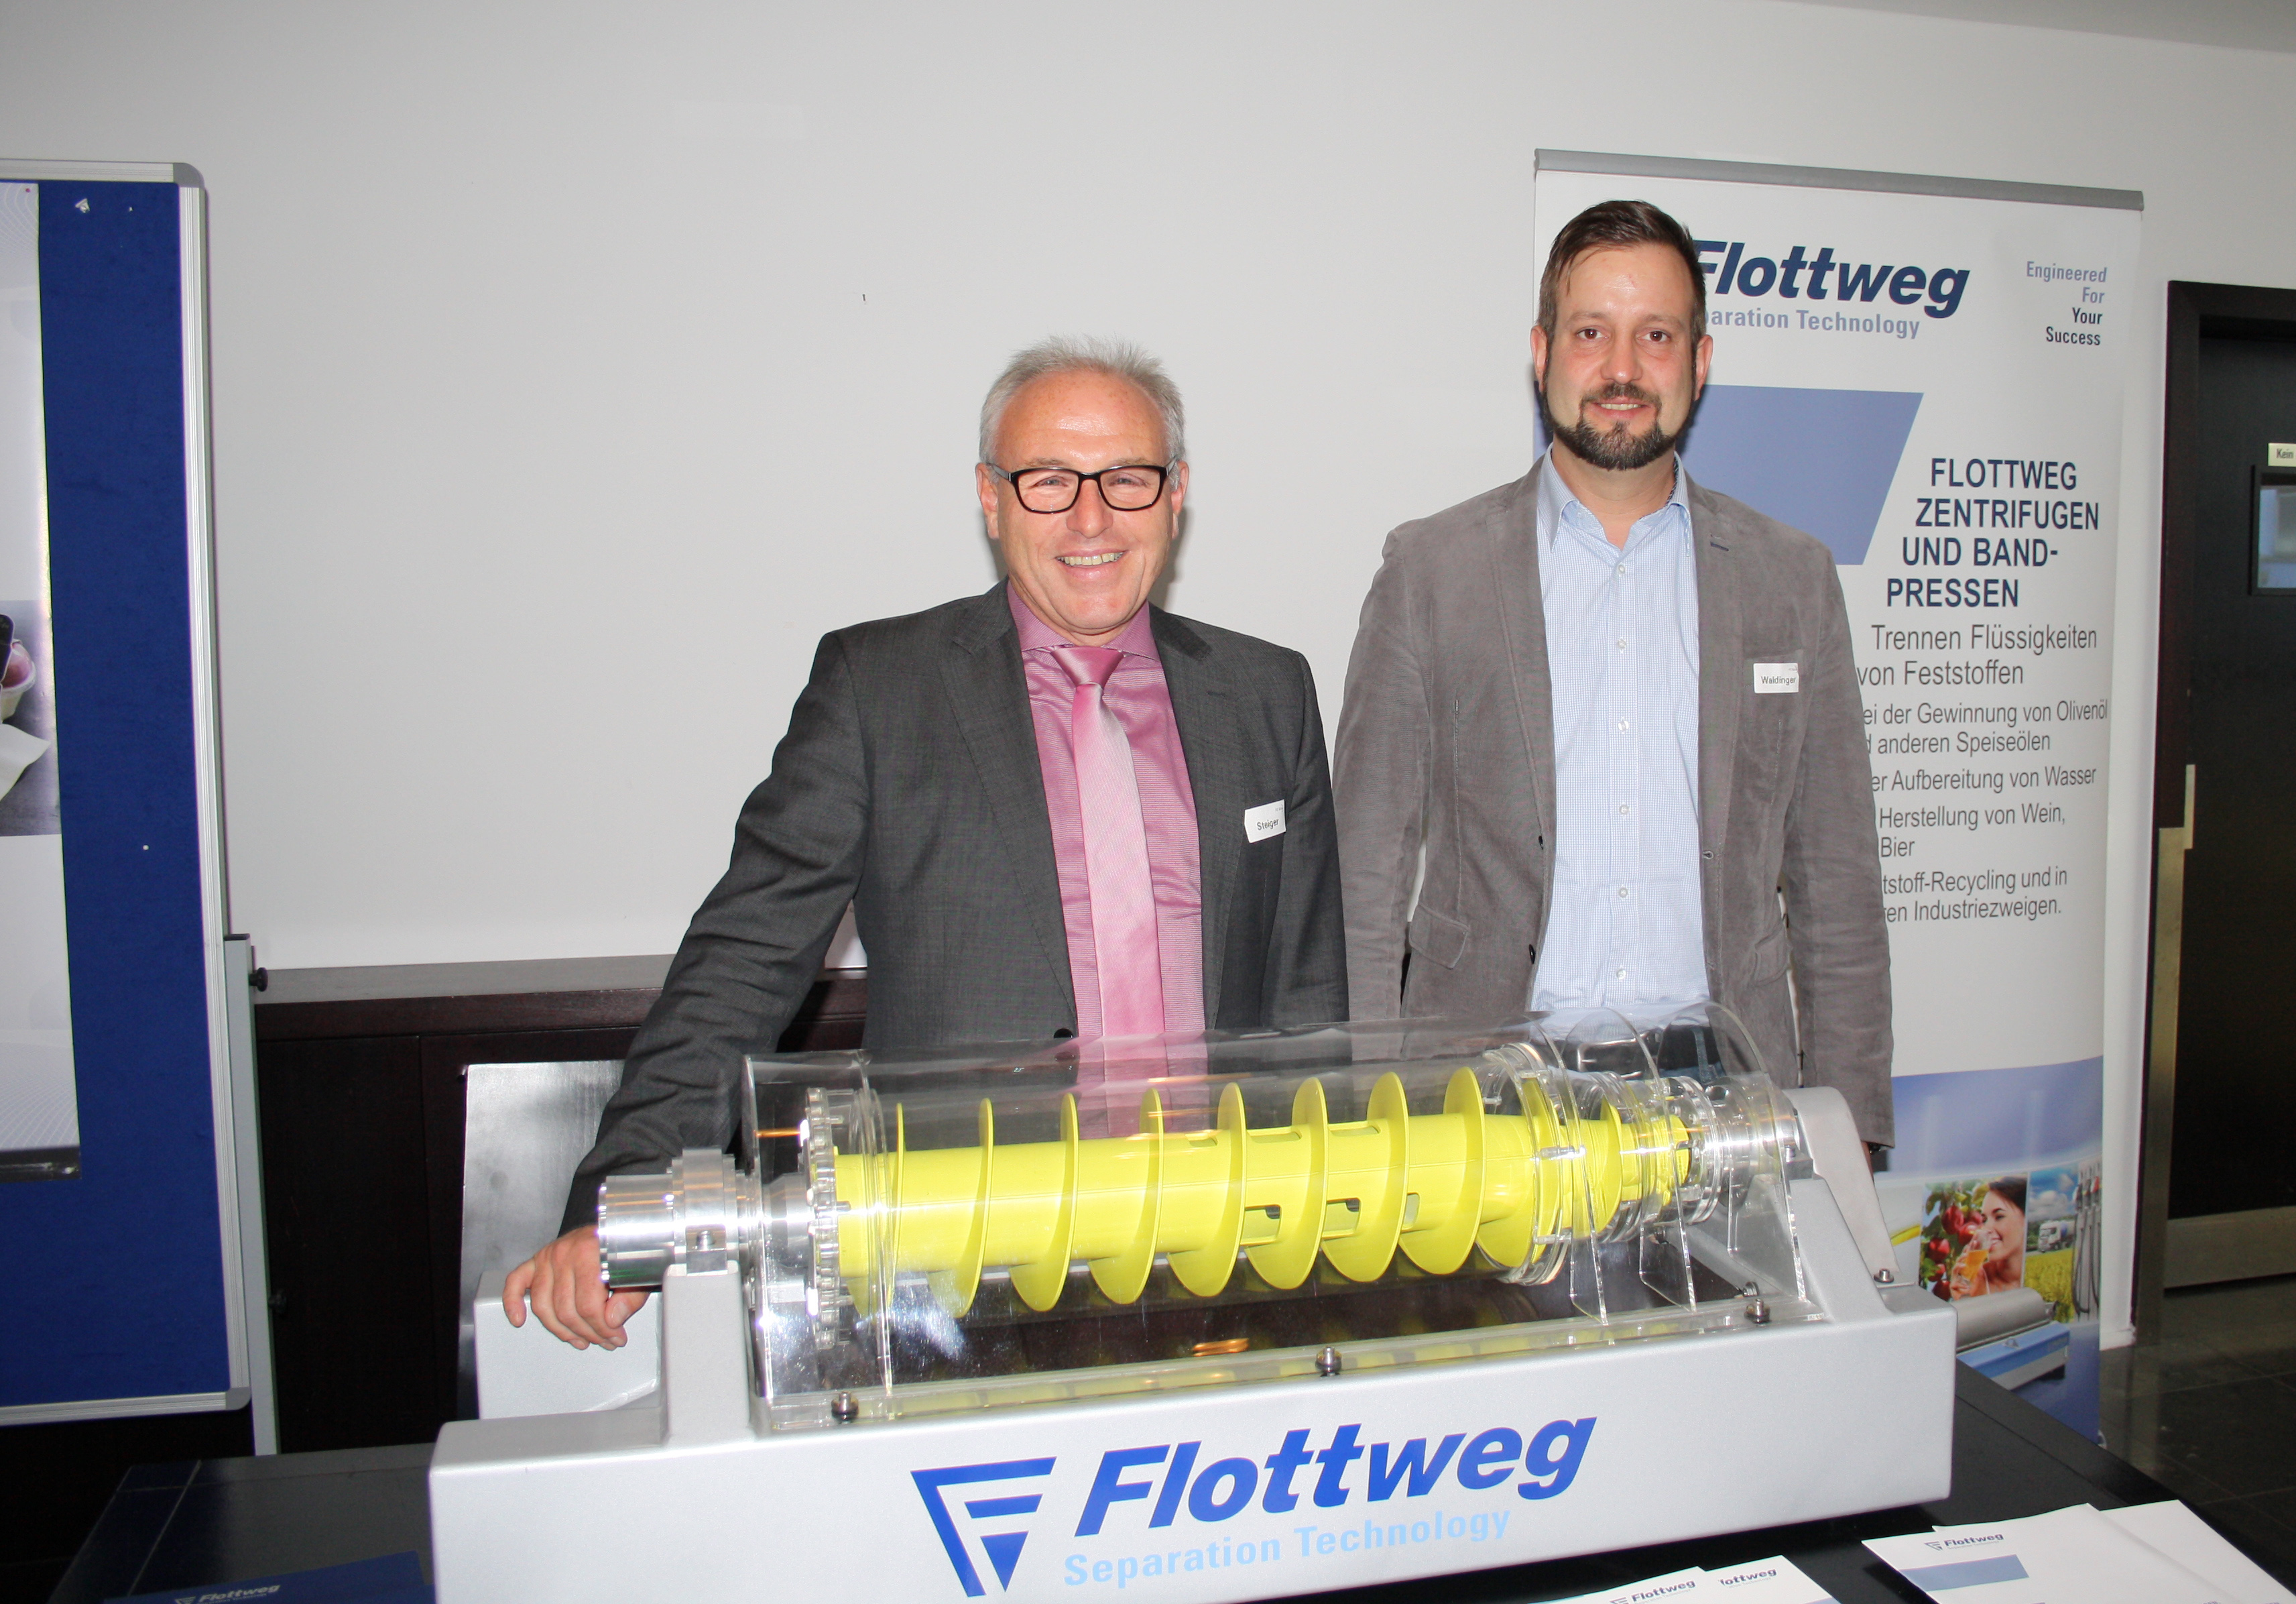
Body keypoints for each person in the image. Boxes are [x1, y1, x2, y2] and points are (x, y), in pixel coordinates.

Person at [507, 338, 1347, 1349]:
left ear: (1176, 496)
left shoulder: (1267, 693)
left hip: (1229, 1258)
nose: (1091, 518)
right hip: (963, 1273)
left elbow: (1308, 1000)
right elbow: (743, 963)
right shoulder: (879, 689)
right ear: (991, 499)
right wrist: (624, 1198)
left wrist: (1331, 1221)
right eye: (1048, 481)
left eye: (1126, 478)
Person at [1333, 198, 1891, 1149]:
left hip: (1724, 1101)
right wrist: (1366, 1118)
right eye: (1591, 332)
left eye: (1656, 336)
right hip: (1487, 1101)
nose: (1622, 369)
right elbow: (1364, 874)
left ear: (1699, 364)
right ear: (1542, 353)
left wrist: (1851, 1129)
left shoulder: (1790, 580)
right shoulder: (1432, 571)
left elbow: (1837, 882)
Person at [1953, 1177, 2029, 1298]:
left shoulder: (2041, 1275)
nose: (1986, 1228)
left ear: (2027, 1218)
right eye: (1984, 1220)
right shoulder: (1977, 1281)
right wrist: (1965, 1300)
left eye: (1999, 1217)